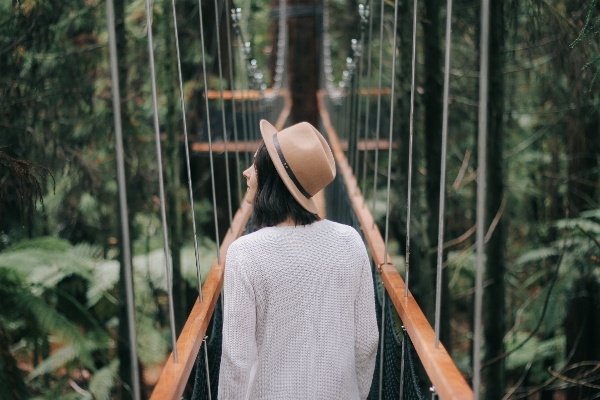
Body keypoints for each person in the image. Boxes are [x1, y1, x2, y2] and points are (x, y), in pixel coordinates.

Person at [218, 120, 379, 400]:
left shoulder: (244, 253)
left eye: (254, 165)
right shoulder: (350, 240)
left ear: (270, 178)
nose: (246, 172)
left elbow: (236, 359)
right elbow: (367, 343)